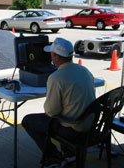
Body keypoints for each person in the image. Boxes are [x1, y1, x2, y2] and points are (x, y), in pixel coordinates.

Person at [22, 37, 95, 167]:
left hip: (74, 129)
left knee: (28, 121)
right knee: (65, 111)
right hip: (90, 124)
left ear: (55, 55)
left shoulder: (56, 78)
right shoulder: (84, 70)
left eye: (51, 54)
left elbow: (51, 112)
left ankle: (53, 157)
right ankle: (69, 153)